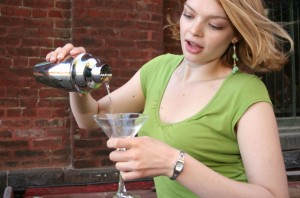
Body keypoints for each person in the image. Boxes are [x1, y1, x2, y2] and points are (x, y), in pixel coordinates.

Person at [46, 0, 294, 197]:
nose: (194, 30)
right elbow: (91, 118)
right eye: (189, 14)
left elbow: (274, 195)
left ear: (236, 34)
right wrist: (75, 79)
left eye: (215, 25)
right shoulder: (159, 69)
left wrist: (175, 164)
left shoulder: (246, 93)